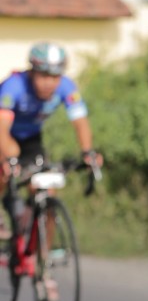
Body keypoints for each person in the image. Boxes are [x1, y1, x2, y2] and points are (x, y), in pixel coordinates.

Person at [0, 41, 100, 194]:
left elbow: (81, 122)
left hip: (30, 137)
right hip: (5, 135)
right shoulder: (14, 85)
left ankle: (41, 208)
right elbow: (2, 127)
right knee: (5, 174)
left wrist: (87, 152)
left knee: (45, 187)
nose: (49, 83)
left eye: (55, 76)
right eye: (44, 75)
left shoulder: (66, 86)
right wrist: (10, 155)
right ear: (32, 72)